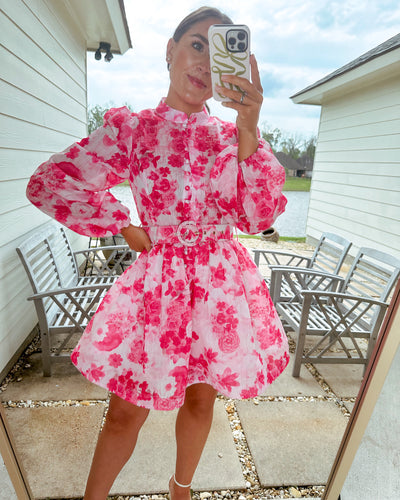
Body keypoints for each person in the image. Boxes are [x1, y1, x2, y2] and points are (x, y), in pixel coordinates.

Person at [26, 6, 289, 500]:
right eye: (195, 45)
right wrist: (120, 222)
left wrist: (250, 129)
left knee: (200, 399)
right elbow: (51, 182)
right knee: (126, 408)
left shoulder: (237, 139)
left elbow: (259, 218)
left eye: (219, 55)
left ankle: (181, 487)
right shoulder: (134, 130)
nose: (205, 64)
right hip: (159, 286)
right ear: (169, 51)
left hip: (219, 285)